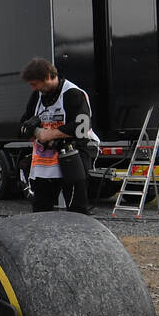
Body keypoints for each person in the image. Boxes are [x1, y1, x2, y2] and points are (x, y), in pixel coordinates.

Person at [18, 57, 98, 214]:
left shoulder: (72, 94)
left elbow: (82, 127)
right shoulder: (38, 96)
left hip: (72, 157)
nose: (33, 88)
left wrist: (51, 134)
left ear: (48, 77)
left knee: (76, 210)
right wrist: (37, 132)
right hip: (44, 163)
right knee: (41, 210)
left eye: (35, 84)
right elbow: (23, 124)